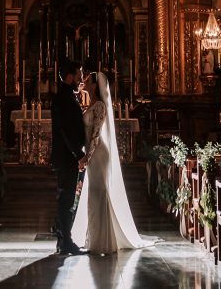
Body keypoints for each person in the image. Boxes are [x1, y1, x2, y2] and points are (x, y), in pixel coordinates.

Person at [71, 71, 156, 254]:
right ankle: (93, 236)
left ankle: (103, 240)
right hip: (92, 153)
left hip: (99, 153)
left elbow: (96, 134)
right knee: (94, 193)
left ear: (95, 85)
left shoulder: (100, 106)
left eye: (87, 80)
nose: (83, 82)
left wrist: (88, 155)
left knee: (99, 193)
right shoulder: (89, 104)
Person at [50, 60, 87, 256]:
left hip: (66, 156)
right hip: (66, 157)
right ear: (70, 76)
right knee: (67, 199)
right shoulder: (64, 98)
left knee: (66, 198)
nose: (81, 79)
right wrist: (78, 153)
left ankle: (63, 239)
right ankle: (66, 242)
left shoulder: (65, 96)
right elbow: (66, 131)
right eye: (79, 74)